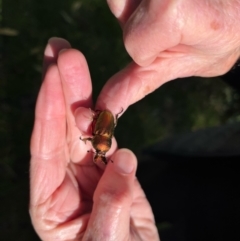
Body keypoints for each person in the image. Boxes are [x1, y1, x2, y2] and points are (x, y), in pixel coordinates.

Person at [30, 1, 240, 240]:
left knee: (147, 178)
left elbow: (102, 131)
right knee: (152, 176)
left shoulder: (100, 138)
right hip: (205, 167)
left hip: (201, 182)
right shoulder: (100, 139)